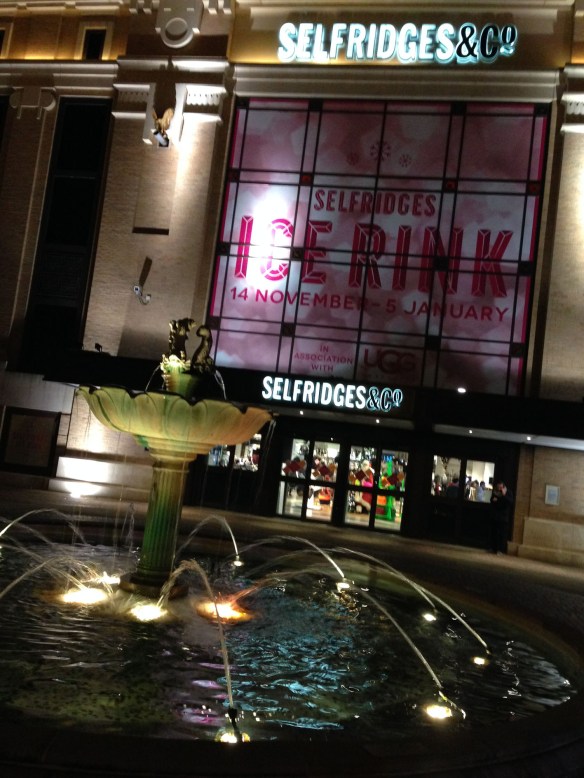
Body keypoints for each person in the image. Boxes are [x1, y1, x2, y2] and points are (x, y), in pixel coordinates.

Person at [489, 481, 514, 554]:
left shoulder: (508, 492)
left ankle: (500, 550)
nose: (499, 489)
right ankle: (493, 548)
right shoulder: (495, 492)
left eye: (500, 487)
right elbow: (492, 500)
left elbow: (510, 502)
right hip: (495, 516)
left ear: (503, 487)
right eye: (498, 487)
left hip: (503, 517)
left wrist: (503, 495)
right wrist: (494, 501)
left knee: (502, 534)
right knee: (494, 533)